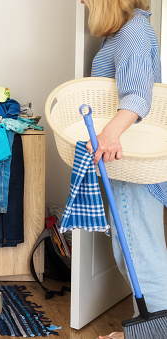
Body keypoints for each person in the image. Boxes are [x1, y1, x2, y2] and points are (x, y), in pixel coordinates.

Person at [80, 1, 167, 339]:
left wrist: (110, 134)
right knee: (130, 247)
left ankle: (156, 332)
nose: (83, 2)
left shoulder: (132, 31)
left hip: (132, 160)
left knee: (139, 250)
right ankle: (145, 327)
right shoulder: (126, 31)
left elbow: (137, 96)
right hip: (127, 159)